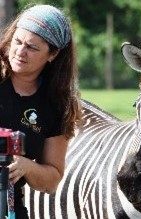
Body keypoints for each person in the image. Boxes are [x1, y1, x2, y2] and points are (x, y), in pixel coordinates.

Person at [0, 4, 81, 218]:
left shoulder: (57, 104)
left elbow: (52, 179)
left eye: (32, 47)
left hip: (8, 208)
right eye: (17, 41)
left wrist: (26, 166)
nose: (20, 51)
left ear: (53, 54)